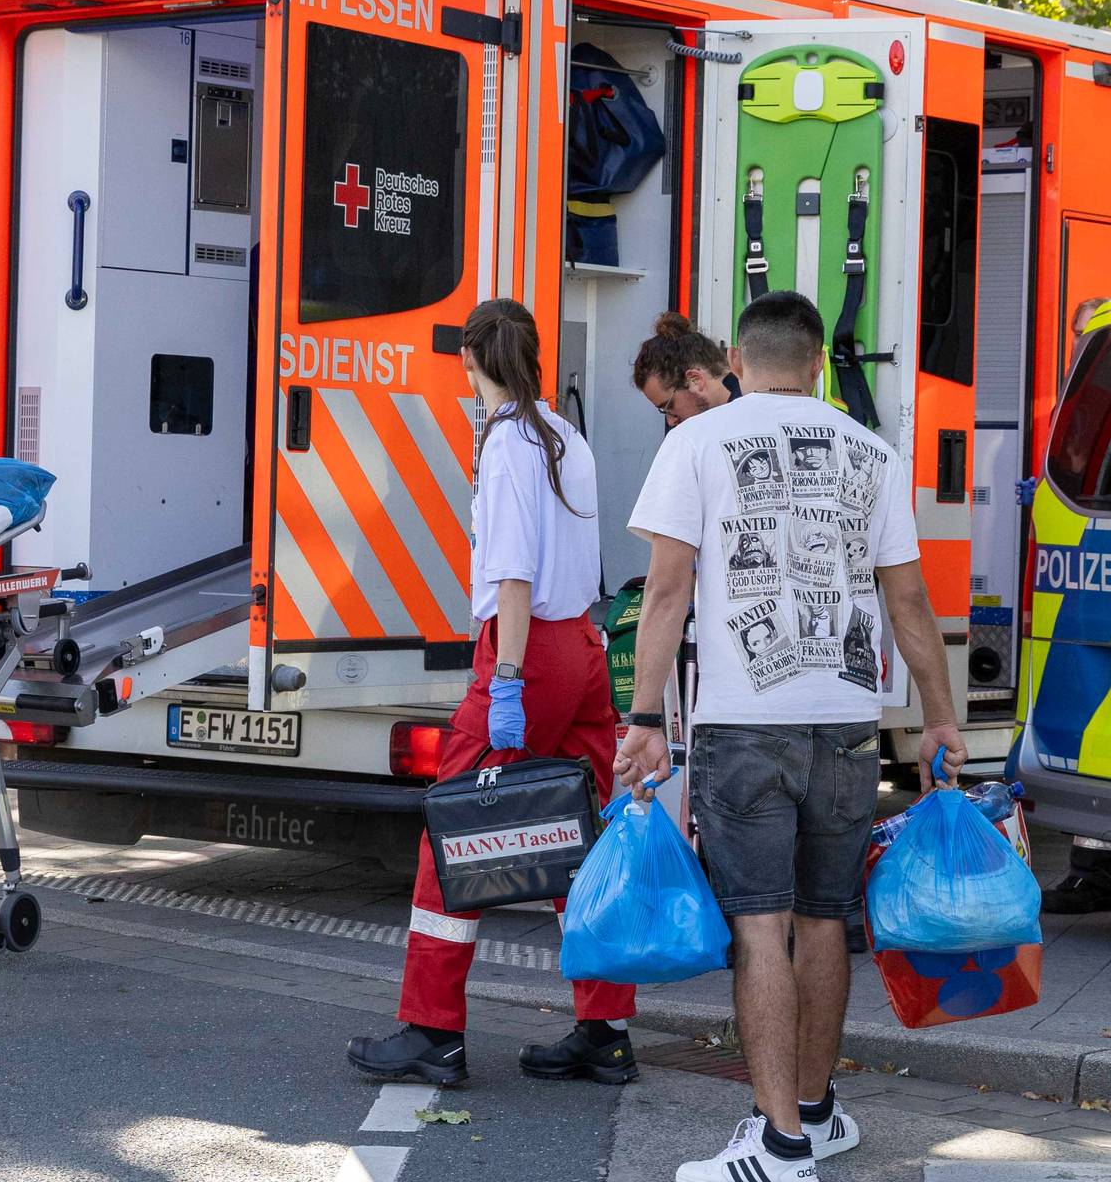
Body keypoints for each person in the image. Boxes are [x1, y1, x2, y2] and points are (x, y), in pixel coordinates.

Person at [617, 291, 966, 1181]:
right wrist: (938, 718)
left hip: (746, 726)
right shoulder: (873, 453)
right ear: (818, 363)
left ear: (738, 355)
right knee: (823, 922)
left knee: (760, 928)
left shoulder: (695, 442)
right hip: (848, 724)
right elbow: (910, 603)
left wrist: (646, 719)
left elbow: (665, 592)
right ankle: (816, 1112)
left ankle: (777, 1146)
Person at [349, 299, 638, 1088]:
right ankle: (605, 1030)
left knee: (456, 830)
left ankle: (431, 1031)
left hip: (529, 653)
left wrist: (506, 679)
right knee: (581, 840)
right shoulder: (564, 435)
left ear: (471, 362)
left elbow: (512, 574)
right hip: (581, 642)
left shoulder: (508, 444)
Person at [631, 311, 739, 428]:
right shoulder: (750, 401)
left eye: (669, 407)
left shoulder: (741, 420)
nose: (671, 421)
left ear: (695, 379)